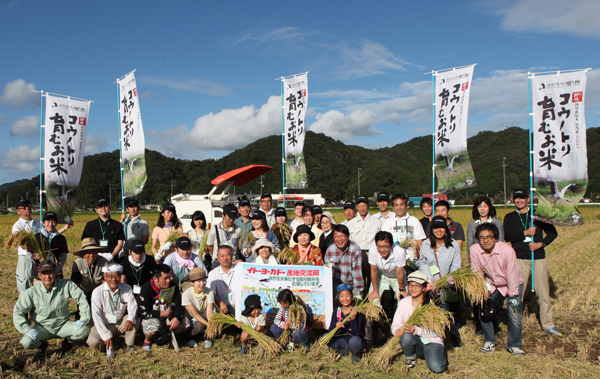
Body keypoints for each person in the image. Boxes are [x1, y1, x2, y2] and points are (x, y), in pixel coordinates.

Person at [503, 188, 559, 336]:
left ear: (528, 199)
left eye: (522, 198)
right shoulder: (509, 217)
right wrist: (525, 233)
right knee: (516, 294)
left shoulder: (537, 215)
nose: (519, 200)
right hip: (519, 258)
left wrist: (541, 244)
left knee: (544, 293)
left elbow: (553, 233)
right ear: (513, 200)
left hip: (538, 257)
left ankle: (548, 325)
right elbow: (507, 236)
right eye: (516, 198)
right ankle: (514, 325)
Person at [14, 260, 90, 361]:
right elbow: (18, 311)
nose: (47, 277)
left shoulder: (67, 284)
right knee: (26, 342)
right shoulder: (31, 292)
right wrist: (27, 329)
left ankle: (67, 343)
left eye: (50, 273)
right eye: (44, 274)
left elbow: (81, 298)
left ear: (55, 273)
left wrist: (83, 318)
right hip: (42, 327)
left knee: (84, 331)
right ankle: (42, 345)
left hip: (62, 325)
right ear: (39, 275)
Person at [471, 223, 524, 355]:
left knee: (514, 315)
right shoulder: (475, 250)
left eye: (489, 237)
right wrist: (482, 290)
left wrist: (512, 295)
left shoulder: (507, 251)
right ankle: (489, 340)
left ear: (496, 238)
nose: (485, 240)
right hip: (491, 283)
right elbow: (476, 271)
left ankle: (514, 344)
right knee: (484, 310)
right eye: (482, 237)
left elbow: (512, 273)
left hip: (512, 283)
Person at [418, 216, 462, 348]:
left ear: (446, 229)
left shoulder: (453, 245)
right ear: (431, 229)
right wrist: (429, 278)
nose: (439, 230)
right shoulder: (426, 244)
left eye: (442, 227)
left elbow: (456, 265)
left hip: (445, 285)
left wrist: (448, 279)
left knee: (445, 314)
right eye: (435, 227)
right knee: (430, 313)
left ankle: (455, 338)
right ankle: (434, 339)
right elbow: (422, 262)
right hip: (430, 285)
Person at [391, 271, 446, 373]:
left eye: (417, 285)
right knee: (406, 335)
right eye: (411, 285)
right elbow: (396, 323)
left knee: (437, 368)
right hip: (417, 341)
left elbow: (437, 331)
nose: (413, 288)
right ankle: (410, 356)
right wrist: (395, 330)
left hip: (431, 341)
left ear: (424, 288)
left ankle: (434, 354)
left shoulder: (431, 306)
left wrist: (416, 329)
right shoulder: (404, 303)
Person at [87, 262, 139, 356]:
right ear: (104, 276)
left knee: (135, 320)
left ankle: (129, 344)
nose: (114, 279)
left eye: (117, 276)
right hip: (104, 324)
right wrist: (105, 334)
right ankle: (108, 344)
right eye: (110, 276)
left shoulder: (127, 288)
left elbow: (133, 306)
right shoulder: (97, 292)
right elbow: (96, 315)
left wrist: (130, 319)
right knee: (92, 342)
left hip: (119, 323)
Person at [136, 263, 191, 352]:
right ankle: (148, 340)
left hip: (170, 318)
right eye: (165, 278)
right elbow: (143, 313)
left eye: (169, 277)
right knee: (153, 326)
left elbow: (179, 305)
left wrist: (176, 318)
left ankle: (166, 336)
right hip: (154, 318)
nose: (168, 281)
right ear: (155, 279)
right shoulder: (146, 289)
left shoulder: (173, 286)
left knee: (187, 323)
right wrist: (163, 314)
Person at [367, 231, 407, 319]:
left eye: (385, 246)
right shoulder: (372, 250)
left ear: (391, 245)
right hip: (381, 276)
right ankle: (378, 322)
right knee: (373, 300)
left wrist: (402, 290)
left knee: (404, 301)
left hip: (397, 277)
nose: (382, 250)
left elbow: (399, 272)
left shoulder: (400, 252)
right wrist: (375, 290)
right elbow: (373, 270)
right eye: (379, 246)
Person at [381, 194, 426, 262]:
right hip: (393, 261)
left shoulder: (414, 221)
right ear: (393, 207)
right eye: (396, 205)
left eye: (402, 204)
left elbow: (420, 242)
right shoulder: (387, 223)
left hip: (412, 260)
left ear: (406, 206)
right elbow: (383, 243)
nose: (399, 207)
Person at [327, 284, 366, 363]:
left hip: (354, 341)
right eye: (341, 296)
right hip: (342, 341)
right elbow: (330, 331)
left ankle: (355, 354)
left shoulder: (357, 311)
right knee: (326, 337)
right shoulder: (336, 312)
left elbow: (356, 333)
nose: (344, 298)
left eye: (347, 295)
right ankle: (343, 350)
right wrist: (336, 325)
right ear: (338, 297)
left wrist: (353, 319)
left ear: (352, 296)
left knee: (355, 340)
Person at [324, 225, 364, 298]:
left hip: (350, 284)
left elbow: (357, 276)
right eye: (336, 236)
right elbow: (327, 273)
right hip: (336, 283)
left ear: (348, 237)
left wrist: (357, 295)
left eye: (342, 236)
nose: (339, 239)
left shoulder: (355, 250)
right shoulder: (330, 250)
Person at [82, 197, 125, 262]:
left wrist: (111, 256)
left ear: (110, 208)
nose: (103, 208)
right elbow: (85, 242)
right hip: (95, 260)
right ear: (96, 210)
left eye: (105, 206)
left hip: (113, 260)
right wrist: (98, 254)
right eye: (100, 207)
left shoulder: (117, 225)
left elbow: (120, 244)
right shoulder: (90, 225)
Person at [13, 199, 42, 293]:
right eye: (24, 207)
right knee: (25, 285)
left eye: (28, 206)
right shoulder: (18, 226)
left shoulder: (38, 222)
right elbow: (21, 245)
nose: (27, 208)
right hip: (26, 258)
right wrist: (32, 254)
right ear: (18, 211)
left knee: (39, 285)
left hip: (39, 258)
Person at [181, 267, 214, 348]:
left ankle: (207, 337)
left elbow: (209, 311)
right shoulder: (186, 294)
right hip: (191, 319)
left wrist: (211, 324)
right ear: (192, 283)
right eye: (199, 281)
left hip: (203, 315)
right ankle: (188, 337)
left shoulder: (209, 292)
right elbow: (195, 314)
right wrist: (207, 324)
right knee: (200, 325)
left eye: (203, 280)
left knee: (213, 317)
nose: (202, 284)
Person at [71, 238, 110, 305]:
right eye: (88, 252)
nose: (92, 255)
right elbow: (76, 285)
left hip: (100, 294)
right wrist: (82, 299)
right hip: (83, 294)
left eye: (94, 252)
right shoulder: (77, 263)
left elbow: (106, 281)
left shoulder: (104, 262)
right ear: (83, 254)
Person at [35, 211, 71, 278]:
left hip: (56, 273)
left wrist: (56, 270)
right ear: (43, 223)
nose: (50, 224)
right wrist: (33, 256)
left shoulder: (61, 239)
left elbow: (63, 257)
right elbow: (28, 254)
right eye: (48, 222)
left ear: (56, 223)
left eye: (53, 222)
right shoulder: (36, 237)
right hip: (39, 273)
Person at [206, 246, 237, 315]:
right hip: (221, 308)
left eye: (228, 255)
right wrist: (218, 302)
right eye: (222, 256)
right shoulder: (213, 273)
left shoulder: (239, 270)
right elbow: (210, 293)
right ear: (218, 258)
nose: (225, 258)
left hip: (239, 308)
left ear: (232, 256)